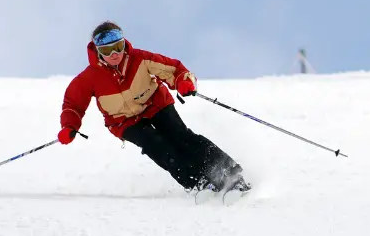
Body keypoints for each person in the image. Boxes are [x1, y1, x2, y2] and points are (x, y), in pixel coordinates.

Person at [57, 21, 251, 194]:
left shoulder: (139, 58)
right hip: (123, 121)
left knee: (181, 137)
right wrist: (69, 126)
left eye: (118, 47)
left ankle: (229, 173)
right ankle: (198, 183)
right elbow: (73, 104)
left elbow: (175, 69)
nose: (115, 54)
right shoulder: (89, 77)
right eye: (107, 51)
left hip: (155, 104)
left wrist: (184, 83)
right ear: (98, 52)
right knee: (157, 147)